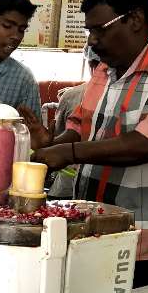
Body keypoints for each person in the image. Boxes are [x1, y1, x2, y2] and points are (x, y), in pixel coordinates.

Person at [19, 0, 148, 293]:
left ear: (135, 19)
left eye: (99, 29)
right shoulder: (106, 69)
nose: (92, 40)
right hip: (97, 231)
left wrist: (68, 154)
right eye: (89, 30)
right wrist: (53, 143)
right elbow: (81, 128)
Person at [47, 46, 100, 198]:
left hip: (66, 186)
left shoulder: (71, 95)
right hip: (100, 188)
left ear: (90, 64)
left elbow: (58, 137)